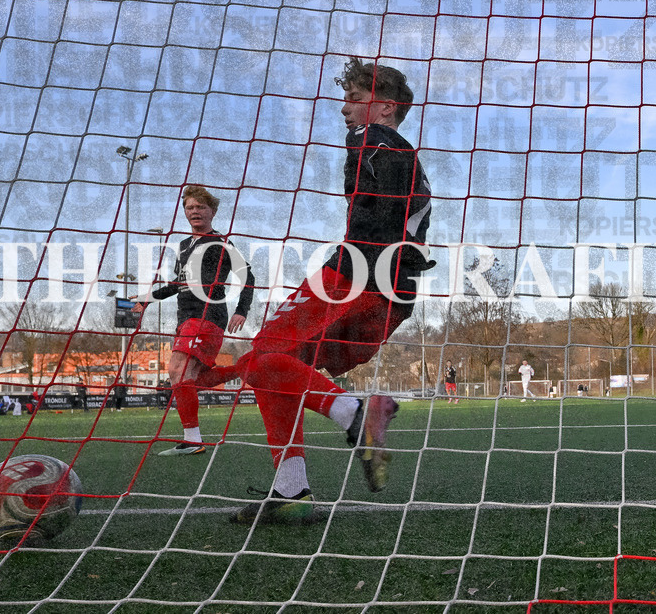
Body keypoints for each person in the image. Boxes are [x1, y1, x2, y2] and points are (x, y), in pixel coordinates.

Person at [183, 57, 433, 525]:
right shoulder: (410, 159)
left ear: (383, 108)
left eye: (354, 99)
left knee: (263, 357)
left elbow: (373, 219)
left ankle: (356, 413)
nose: (344, 109)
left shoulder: (370, 139)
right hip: (394, 290)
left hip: (355, 274)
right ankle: (292, 486)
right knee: (276, 368)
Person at [132, 185, 255, 456]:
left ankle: (193, 440)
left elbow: (248, 276)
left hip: (208, 314)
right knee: (191, 378)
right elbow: (178, 283)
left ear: (212, 211)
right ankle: (247, 366)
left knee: (177, 369)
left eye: (200, 207)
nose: (195, 211)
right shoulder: (184, 245)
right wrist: (147, 299)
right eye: (190, 207)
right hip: (185, 317)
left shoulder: (221, 243)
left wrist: (241, 310)